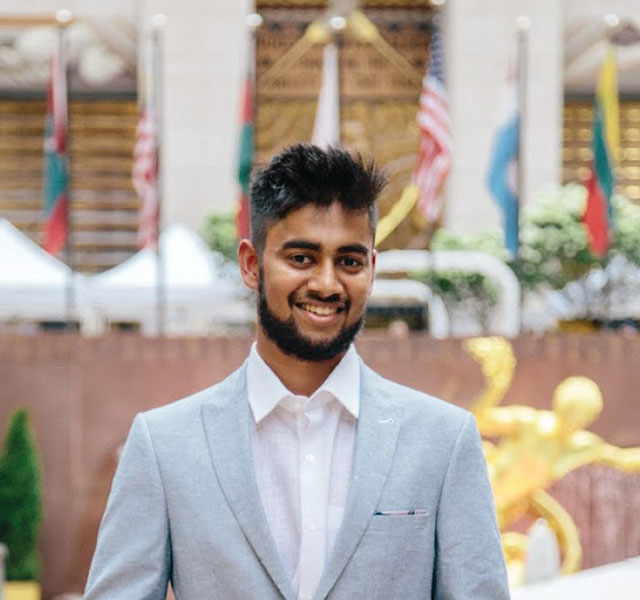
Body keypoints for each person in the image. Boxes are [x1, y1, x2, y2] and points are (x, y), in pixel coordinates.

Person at [84, 144, 509, 600]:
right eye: (302, 258)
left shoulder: (444, 442)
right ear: (252, 265)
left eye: (348, 261)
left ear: (371, 268)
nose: (326, 284)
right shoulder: (165, 445)